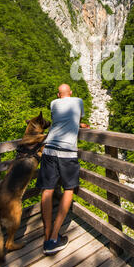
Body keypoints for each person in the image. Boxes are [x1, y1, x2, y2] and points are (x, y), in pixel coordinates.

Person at [36, 83, 90, 255]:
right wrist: (79, 124)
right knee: (68, 189)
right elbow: (76, 117)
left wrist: (77, 124)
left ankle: (46, 236)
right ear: (71, 93)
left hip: (49, 148)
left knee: (47, 190)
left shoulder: (53, 103)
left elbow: (59, 119)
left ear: (58, 95)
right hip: (67, 151)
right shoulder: (78, 101)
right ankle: (53, 238)